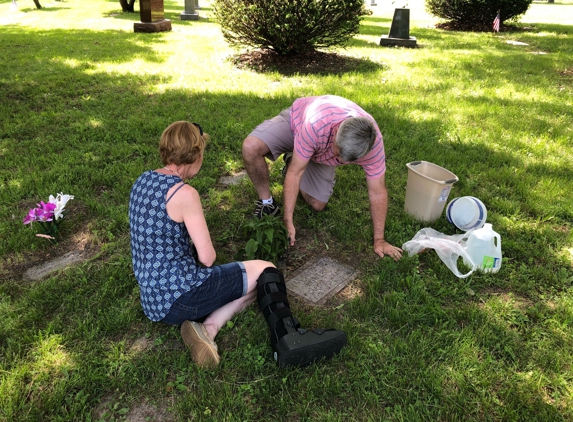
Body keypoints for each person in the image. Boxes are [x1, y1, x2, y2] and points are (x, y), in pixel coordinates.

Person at [128, 121, 347, 368]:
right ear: (197, 154)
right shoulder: (185, 195)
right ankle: (288, 337)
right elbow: (207, 258)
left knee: (256, 285)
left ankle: (207, 330)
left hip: (154, 300)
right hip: (183, 295)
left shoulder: (142, 181)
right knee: (267, 271)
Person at [242, 95, 403, 261]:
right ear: (335, 132)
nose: (340, 161)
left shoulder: (372, 144)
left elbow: (378, 192)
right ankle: (267, 203)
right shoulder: (316, 124)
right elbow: (294, 174)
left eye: (347, 160)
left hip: (317, 147)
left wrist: (379, 240)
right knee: (251, 147)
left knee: (318, 204)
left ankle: (295, 158)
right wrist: (287, 220)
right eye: (339, 153)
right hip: (297, 123)